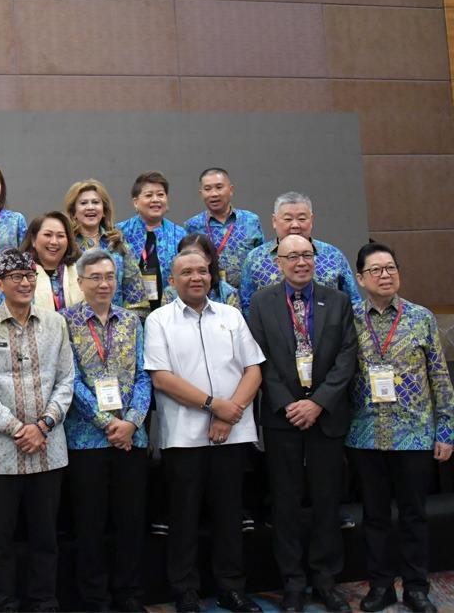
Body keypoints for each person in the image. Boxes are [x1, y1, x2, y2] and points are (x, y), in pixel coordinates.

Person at [144, 250, 265, 613]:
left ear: (211, 275)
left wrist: (230, 414)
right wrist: (215, 405)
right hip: (184, 436)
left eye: (202, 271)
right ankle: (185, 590)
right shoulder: (158, 320)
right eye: (186, 272)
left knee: (230, 514)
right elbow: (161, 378)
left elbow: (254, 369)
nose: (195, 277)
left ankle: (232, 588)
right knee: (184, 516)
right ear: (173, 279)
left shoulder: (231, 315)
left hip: (233, 432)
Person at [247, 234, 358, 613]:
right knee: (286, 504)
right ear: (278, 262)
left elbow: (347, 359)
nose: (300, 262)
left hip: (326, 418)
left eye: (306, 255)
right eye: (291, 256)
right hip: (282, 419)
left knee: (328, 502)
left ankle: (326, 580)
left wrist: (318, 404)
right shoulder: (261, 303)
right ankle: (292, 583)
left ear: (316, 259)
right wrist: (291, 405)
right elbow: (260, 360)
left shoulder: (339, 301)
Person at [0, 248, 75, 612]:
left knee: (45, 537)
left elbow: (66, 379)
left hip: (49, 448)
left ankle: (45, 602)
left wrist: (42, 426)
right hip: (0, 454)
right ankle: (4, 605)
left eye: (31, 276)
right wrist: (17, 429)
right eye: (16, 277)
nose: (25, 282)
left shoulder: (55, 323)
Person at [348, 242, 453, 613]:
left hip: (415, 433)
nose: (385, 275)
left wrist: (445, 431)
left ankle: (416, 587)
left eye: (390, 267)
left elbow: (440, 376)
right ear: (360, 278)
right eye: (375, 270)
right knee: (374, 517)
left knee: (413, 514)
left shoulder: (420, 317)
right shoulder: (350, 319)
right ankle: (380, 586)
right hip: (366, 433)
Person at [60, 248, 151, 612]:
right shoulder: (64, 322)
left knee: (131, 522)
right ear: (80, 282)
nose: (104, 283)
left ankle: (128, 593)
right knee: (90, 524)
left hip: (132, 438)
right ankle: (95, 598)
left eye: (109, 276)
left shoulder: (132, 322)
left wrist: (131, 421)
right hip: (86, 440)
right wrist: (107, 422)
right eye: (95, 277)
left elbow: (145, 374)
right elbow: (70, 380)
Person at [239, 191, 360, 315]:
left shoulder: (333, 256)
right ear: (274, 221)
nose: (295, 225)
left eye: (302, 219)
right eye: (288, 219)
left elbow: (354, 302)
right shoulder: (255, 259)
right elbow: (246, 305)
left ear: (311, 220)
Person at [63, 178, 147, 310]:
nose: (90, 207)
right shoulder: (66, 245)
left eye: (96, 202)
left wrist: (128, 324)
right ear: (73, 212)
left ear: (103, 210)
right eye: (83, 203)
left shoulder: (117, 243)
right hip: (76, 324)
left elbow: (135, 290)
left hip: (117, 324)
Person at [184, 168, 265, 288]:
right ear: (201, 193)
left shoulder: (251, 221)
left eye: (219, 187)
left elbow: (261, 257)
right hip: (209, 295)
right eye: (207, 189)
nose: (214, 194)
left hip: (247, 295)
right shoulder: (192, 226)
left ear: (231, 190)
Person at [117, 171, 187, 311]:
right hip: (131, 312)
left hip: (170, 312)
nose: (155, 199)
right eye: (149, 195)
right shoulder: (120, 233)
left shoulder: (180, 234)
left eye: (160, 195)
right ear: (136, 202)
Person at [20, 211, 84, 312]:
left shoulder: (82, 272)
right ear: (33, 240)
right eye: (47, 235)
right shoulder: (18, 274)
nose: (54, 242)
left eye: (60, 236)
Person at [161, 233, 242, 310]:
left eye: (196, 253)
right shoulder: (170, 292)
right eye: (185, 253)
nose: (191, 257)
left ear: (209, 258)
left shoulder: (228, 292)